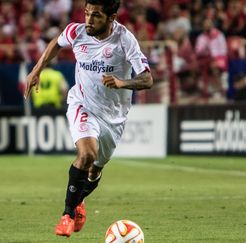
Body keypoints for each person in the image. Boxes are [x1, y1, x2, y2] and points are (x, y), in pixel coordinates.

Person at [24, 0, 153, 238]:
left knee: (94, 172)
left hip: (114, 117)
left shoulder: (125, 40)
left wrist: (122, 83)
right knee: (86, 154)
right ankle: (67, 216)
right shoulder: (77, 31)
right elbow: (56, 43)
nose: (88, 20)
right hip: (82, 104)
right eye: (86, 14)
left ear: (111, 17)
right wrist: (37, 69)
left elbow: (147, 79)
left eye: (96, 16)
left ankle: (79, 199)